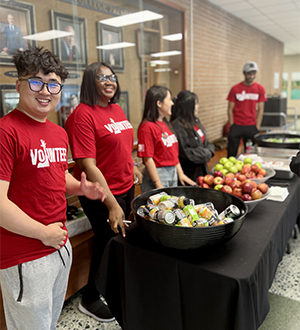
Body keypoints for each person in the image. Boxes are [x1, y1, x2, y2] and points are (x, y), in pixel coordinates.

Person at [0, 46, 107, 330]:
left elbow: (55, 176)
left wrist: (81, 188)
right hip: (25, 254)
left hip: (58, 245)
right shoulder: (6, 131)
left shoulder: (58, 132)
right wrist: (42, 233)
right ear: (18, 85)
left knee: (48, 323)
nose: (45, 91)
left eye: (53, 84)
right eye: (36, 82)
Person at [65, 61, 142, 322]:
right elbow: (87, 164)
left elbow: (121, 146)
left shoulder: (116, 109)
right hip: (100, 193)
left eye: (112, 77)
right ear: (90, 81)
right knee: (106, 241)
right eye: (102, 77)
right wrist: (111, 204)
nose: (110, 82)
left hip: (125, 185)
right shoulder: (82, 115)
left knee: (120, 239)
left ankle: (115, 286)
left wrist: (133, 168)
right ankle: (90, 297)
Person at [137, 85, 196, 192]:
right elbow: (147, 159)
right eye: (169, 100)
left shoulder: (165, 123)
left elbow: (173, 153)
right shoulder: (147, 127)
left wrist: (180, 173)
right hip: (159, 174)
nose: (172, 103)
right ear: (159, 103)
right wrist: (159, 185)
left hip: (172, 172)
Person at [170, 90, 215, 181]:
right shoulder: (177, 127)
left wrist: (210, 150)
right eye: (195, 104)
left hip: (202, 171)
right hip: (188, 174)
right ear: (188, 108)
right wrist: (208, 153)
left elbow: (207, 142)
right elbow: (186, 153)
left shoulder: (195, 121)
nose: (198, 107)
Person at [227, 61, 267, 157]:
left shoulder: (260, 89)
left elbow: (261, 109)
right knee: (231, 153)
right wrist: (232, 125)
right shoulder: (235, 89)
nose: (251, 76)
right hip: (236, 124)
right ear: (244, 73)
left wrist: (257, 126)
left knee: (250, 154)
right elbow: (230, 109)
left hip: (251, 125)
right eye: (249, 73)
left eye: (253, 73)